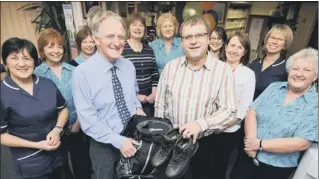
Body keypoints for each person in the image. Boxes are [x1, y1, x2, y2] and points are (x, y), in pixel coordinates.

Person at [155, 15, 238, 179]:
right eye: (188, 37)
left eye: (199, 35)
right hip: (172, 142)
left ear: (208, 38)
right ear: (182, 41)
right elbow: (160, 105)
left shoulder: (222, 71)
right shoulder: (170, 68)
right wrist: (162, 136)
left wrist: (201, 124)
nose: (193, 41)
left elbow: (230, 110)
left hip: (204, 145)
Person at [72, 7, 146, 179]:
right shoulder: (82, 73)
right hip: (103, 146)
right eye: (110, 36)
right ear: (96, 39)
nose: (117, 42)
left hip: (132, 138)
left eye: (121, 37)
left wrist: (138, 108)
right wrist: (118, 141)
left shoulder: (129, 66)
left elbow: (133, 97)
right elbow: (87, 119)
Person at [231, 48, 318, 179]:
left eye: (306, 70)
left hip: (276, 168)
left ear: (315, 76)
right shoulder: (274, 87)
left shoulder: (315, 104)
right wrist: (252, 143)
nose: (299, 74)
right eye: (295, 69)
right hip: (248, 154)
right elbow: (252, 111)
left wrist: (259, 145)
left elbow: (302, 142)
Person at [0, 37, 69, 179]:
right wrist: (37, 145)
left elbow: (63, 109)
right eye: (14, 58)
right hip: (31, 164)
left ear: (35, 61)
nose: (22, 64)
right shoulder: (3, 92)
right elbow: (1, 135)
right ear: (5, 62)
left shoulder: (47, 84)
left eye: (27, 58)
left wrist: (57, 129)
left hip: (59, 156)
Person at [34, 28, 91, 179]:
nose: (56, 51)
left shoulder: (74, 70)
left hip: (77, 125)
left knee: (82, 165)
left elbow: (84, 99)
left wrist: (78, 124)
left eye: (59, 46)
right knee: (61, 168)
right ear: (42, 50)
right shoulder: (37, 74)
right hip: (51, 130)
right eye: (50, 46)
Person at [206, 32, 255, 179]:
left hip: (228, 130)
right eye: (232, 45)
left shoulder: (248, 74)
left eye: (239, 47)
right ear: (226, 47)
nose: (234, 50)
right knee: (203, 164)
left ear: (244, 52)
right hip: (207, 127)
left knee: (219, 165)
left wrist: (222, 125)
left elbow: (244, 108)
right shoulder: (214, 67)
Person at [122, 14, 159, 117]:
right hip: (130, 100)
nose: (138, 28)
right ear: (128, 28)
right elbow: (120, 77)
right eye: (134, 25)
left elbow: (154, 72)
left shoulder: (149, 49)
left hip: (149, 100)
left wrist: (154, 92)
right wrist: (136, 96)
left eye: (141, 25)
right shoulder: (122, 48)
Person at [250, 24, 293, 100]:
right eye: (272, 37)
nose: (274, 42)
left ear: (284, 45)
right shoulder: (255, 63)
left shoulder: (286, 69)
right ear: (267, 40)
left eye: (280, 39)